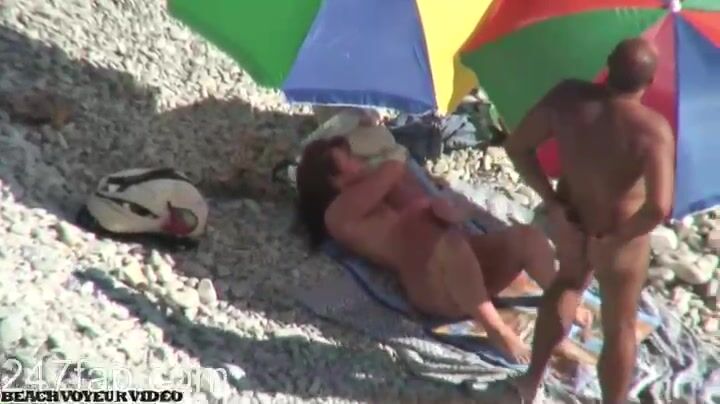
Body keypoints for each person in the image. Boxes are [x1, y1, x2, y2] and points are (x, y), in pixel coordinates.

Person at [295, 135, 591, 363]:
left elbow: (430, 204)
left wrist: (451, 210)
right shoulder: (338, 214)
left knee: (526, 237)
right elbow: (395, 166)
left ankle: (562, 300)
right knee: (428, 229)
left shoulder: (383, 188)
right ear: (332, 181)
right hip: (432, 286)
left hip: (467, 264)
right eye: (347, 160)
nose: (357, 160)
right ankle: (497, 330)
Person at [504, 37, 675, 403]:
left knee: (566, 287)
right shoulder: (652, 130)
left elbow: (518, 147)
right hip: (619, 238)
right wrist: (614, 240)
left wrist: (552, 203)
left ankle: (530, 382)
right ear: (650, 81)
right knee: (620, 327)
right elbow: (658, 207)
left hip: (572, 218)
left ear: (608, 63)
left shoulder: (568, 97)